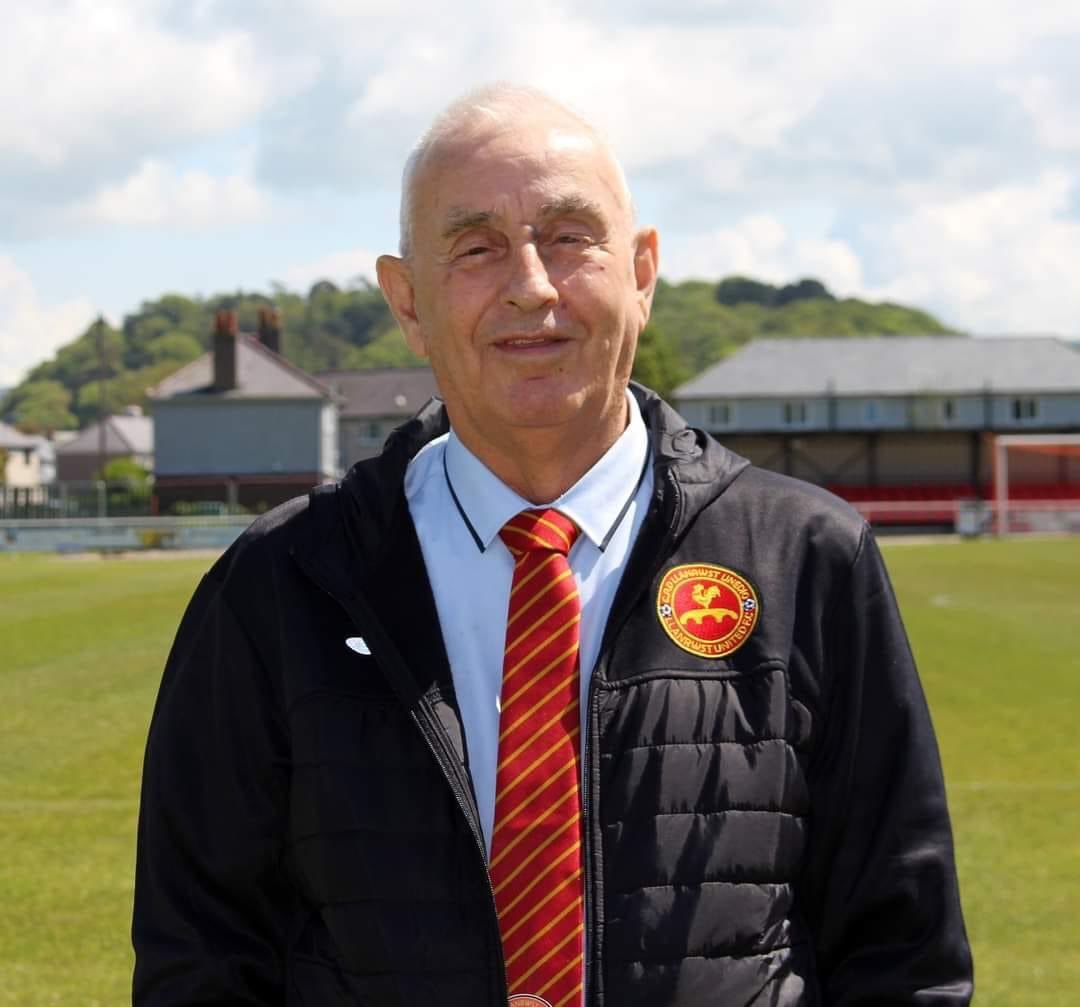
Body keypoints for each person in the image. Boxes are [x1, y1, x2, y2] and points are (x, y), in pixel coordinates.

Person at [132, 85, 973, 1006]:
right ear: (407, 302)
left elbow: (904, 954)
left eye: (571, 235)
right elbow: (201, 959)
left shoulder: (807, 560)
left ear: (642, 271)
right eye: (477, 247)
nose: (531, 284)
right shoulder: (281, 584)